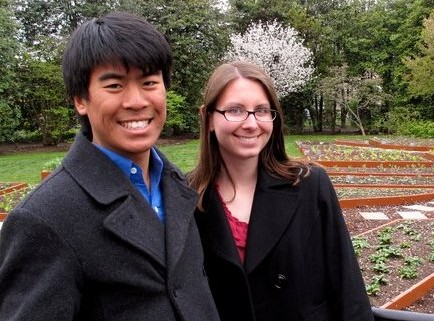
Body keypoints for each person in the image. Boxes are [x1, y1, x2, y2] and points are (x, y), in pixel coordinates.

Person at [0, 12, 220, 321]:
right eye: (115, 85)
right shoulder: (45, 218)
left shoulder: (176, 185)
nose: (136, 101)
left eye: (149, 82)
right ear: (81, 99)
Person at [188, 60, 374, 321]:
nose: (251, 123)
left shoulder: (310, 185)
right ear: (208, 118)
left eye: (262, 110)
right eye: (235, 110)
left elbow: (347, 286)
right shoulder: (187, 198)